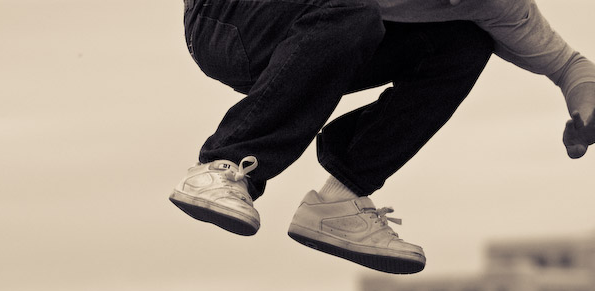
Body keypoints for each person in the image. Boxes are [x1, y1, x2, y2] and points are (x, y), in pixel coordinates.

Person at [170, 0, 595, 274]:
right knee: (354, 11)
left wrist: (587, 109)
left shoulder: (499, 7)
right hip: (227, 19)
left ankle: (340, 198)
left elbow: (569, 65)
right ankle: (222, 167)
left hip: (310, 36)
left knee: (464, 43)